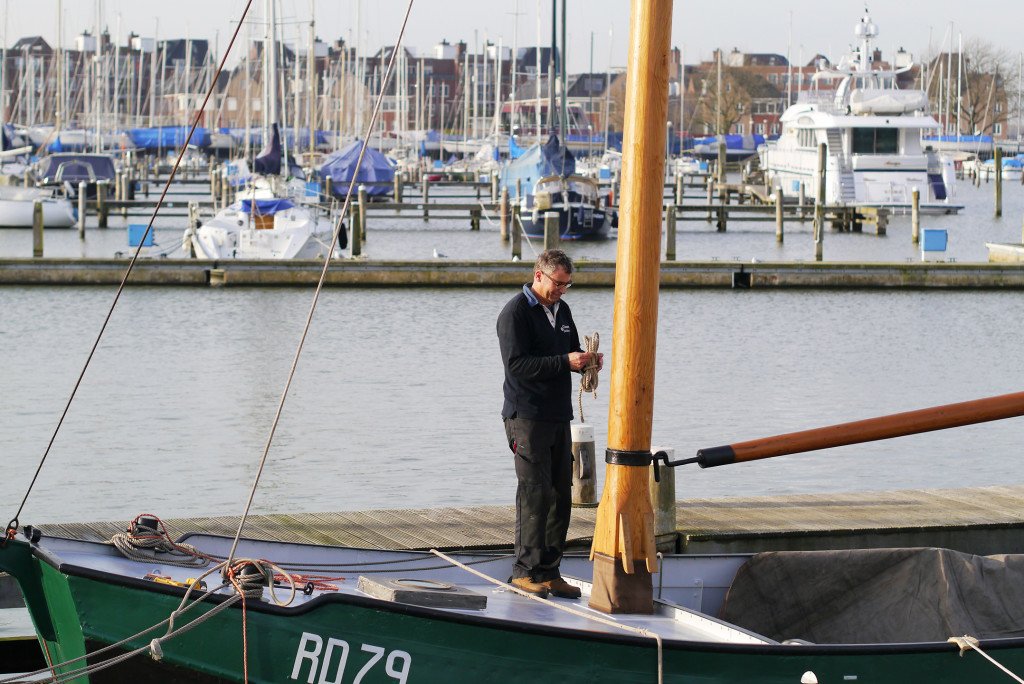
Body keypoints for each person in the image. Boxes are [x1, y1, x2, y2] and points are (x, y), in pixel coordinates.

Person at [496, 249, 603, 599]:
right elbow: (517, 366)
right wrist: (564, 361)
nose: (562, 290)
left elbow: (568, 355)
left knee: (561, 495)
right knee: (534, 494)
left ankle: (550, 570)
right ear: (539, 275)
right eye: (558, 283)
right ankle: (524, 572)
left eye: (567, 284)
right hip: (526, 416)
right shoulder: (515, 313)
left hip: (559, 415)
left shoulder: (563, 311)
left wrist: (586, 363)